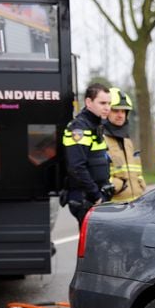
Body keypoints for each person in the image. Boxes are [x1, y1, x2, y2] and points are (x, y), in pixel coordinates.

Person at [62, 83, 111, 225]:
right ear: (89, 102)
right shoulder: (78, 128)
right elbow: (76, 167)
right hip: (85, 199)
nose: (107, 107)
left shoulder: (96, 126)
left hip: (95, 198)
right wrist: (96, 196)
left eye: (108, 103)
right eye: (102, 103)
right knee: (93, 246)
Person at [102, 87, 146, 202]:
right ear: (107, 111)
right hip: (115, 207)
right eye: (116, 110)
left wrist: (140, 184)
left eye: (123, 111)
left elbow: (135, 171)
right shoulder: (101, 140)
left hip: (135, 203)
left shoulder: (127, 141)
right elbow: (97, 175)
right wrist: (116, 185)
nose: (120, 115)